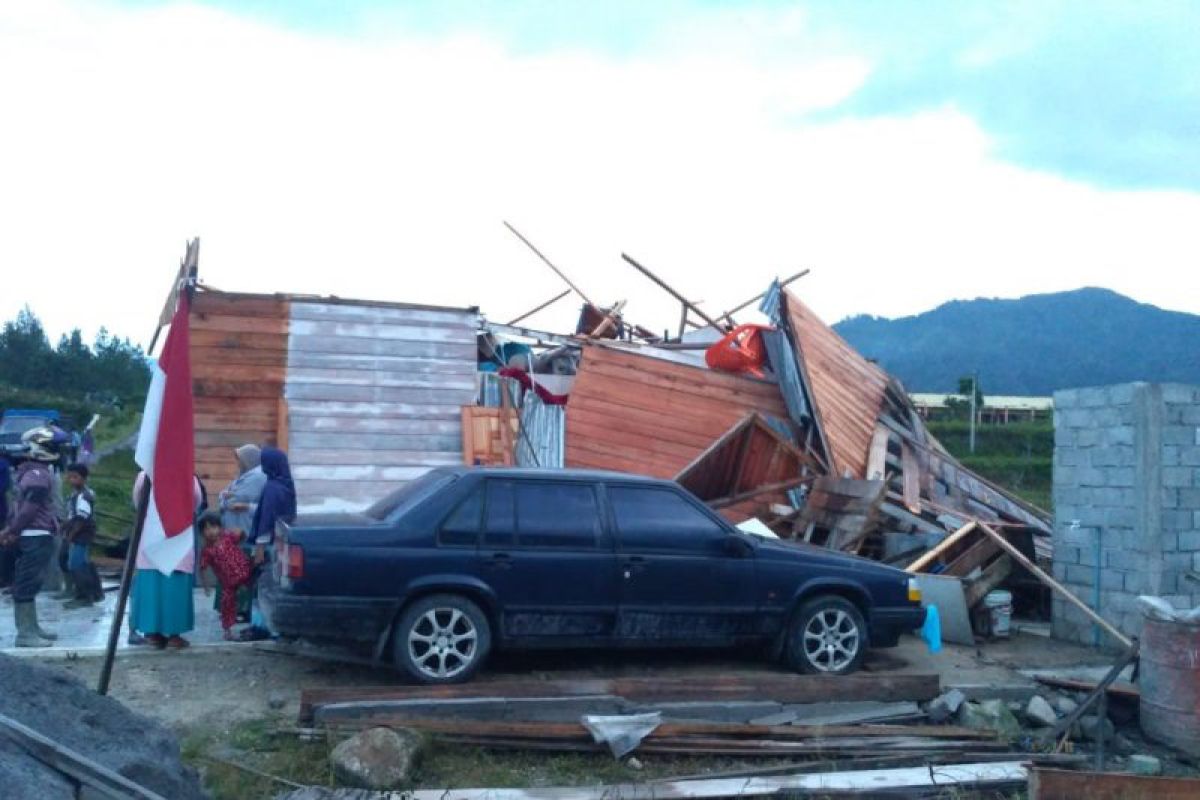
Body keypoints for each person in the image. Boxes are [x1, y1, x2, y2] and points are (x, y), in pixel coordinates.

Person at [128, 470, 204, 650]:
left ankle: (153, 634)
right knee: (174, 589)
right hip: (177, 537)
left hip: (151, 539)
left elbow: (138, 501)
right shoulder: (186, 475)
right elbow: (196, 501)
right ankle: (174, 636)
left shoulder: (145, 474)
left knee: (151, 588)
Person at [0, 453, 61, 647]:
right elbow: (28, 510)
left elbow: (18, 509)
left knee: (31, 582)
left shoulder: (28, 475)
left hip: (31, 533)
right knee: (27, 582)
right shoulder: (37, 475)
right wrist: (12, 530)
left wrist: (11, 529)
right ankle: (25, 634)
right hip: (35, 534)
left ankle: (32, 627)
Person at [240, 447, 296, 641]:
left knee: (263, 587)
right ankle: (276, 628)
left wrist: (259, 549)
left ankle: (263, 627)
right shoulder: (287, 485)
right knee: (276, 586)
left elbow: (266, 519)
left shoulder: (272, 488)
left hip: (269, 546)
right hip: (283, 544)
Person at [216, 444, 266, 623]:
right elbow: (223, 497)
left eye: (240, 459)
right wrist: (225, 498)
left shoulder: (257, 477)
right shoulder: (244, 476)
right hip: (234, 530)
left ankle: (241, 609)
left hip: (244, 530)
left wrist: (226, 498)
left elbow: (233, 499)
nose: (238, 463)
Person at [196, 512, 253, 641]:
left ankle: (255, 623)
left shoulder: (227, 537)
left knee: (253, 597)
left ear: (220, 528)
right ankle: (228, 630)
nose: (210, 531)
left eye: (213, 527)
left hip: (245, 572)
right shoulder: (207, 551)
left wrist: (242, 533)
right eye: (206, 529)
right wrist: (206, 586)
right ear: (202, 533)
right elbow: (202, 569)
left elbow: (242, 536)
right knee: (227, 604)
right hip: (228, 582)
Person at [61, 463, 103, 609]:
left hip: (82, 534)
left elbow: (81, 519)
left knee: (77, 564)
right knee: (80, 563)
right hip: (78, 532)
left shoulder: (84, 496)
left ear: (84, 479)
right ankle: (95, 593)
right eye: (70, 476)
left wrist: (71, 535)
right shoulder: (75, 495)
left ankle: (85, 597)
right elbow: (72, 516)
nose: (72, 480)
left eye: (75, 477)